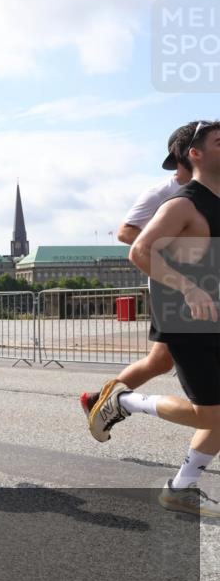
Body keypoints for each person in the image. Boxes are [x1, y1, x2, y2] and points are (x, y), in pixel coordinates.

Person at [87, 120, 220, 516]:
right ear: (195, 154)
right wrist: (189, 288)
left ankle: (180, 489)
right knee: (210, 414)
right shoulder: (182, 203)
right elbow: (139, 250)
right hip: (186, 317)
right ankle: (125, 402)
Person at [81, 123, 196, 416]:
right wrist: (170, 253)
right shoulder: (161, 192)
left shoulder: (210, 188)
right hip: (170, 284)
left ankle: (98, 399)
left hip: (200, 281)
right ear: (186, 154)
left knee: (160, 361)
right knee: (165, 361)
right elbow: (126, 233)